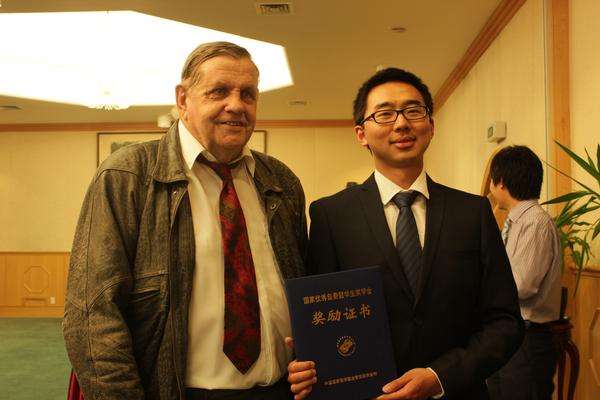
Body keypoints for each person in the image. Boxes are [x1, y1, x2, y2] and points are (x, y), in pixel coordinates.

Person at [63, 41, 307, 400]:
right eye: (219, 91)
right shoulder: (128, 176)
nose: (236, 105)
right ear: (183, 99)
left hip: (280, 390)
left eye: (248, 94)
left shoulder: (281, 182)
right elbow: (93, 314)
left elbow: (305, 290)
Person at [287, 67, 523, 400]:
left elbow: (505, 321)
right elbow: (320, 316)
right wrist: (306, 357)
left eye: (413, 111)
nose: (401, 123)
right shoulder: (331, 216)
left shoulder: (473, 213)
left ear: (430, 125)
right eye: (384, 114)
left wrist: (440, 377)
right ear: (361, 134)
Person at [486, 145, 562, 400]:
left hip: (529, 337)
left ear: (501, 183)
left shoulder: (535, 222)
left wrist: (481, 285)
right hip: (511, 333)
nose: (489, 191)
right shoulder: (516, 222)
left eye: (491, 183)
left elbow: (523, 285)